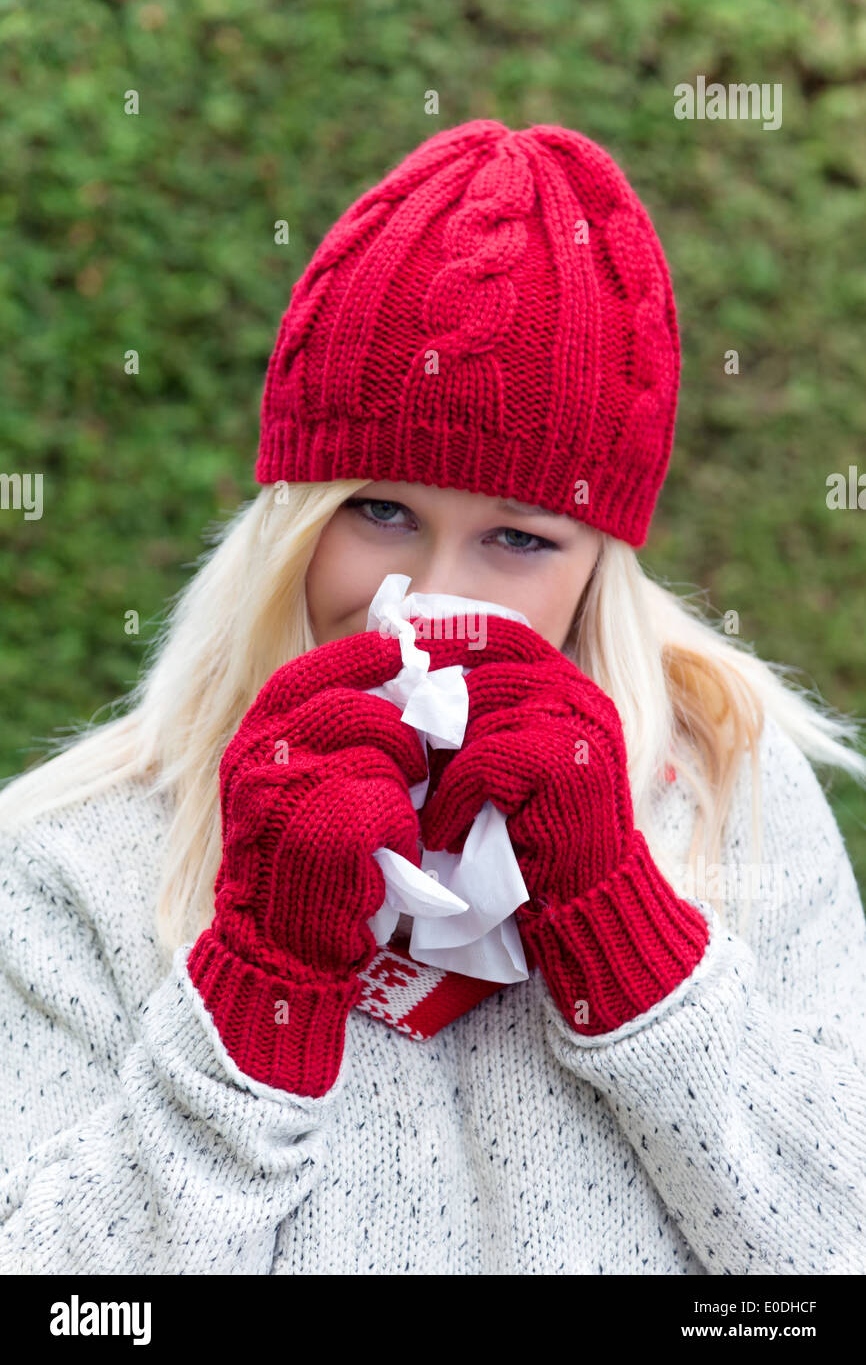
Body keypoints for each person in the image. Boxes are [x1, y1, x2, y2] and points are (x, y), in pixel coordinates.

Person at [1, 119, 865, 1276]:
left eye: (516, 537)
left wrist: (625, 931)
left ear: (598, 564)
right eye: (380, 511)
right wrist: (256, 982)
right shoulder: (78, 855)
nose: (434, 596)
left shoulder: (727, 795)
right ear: (294, 516)